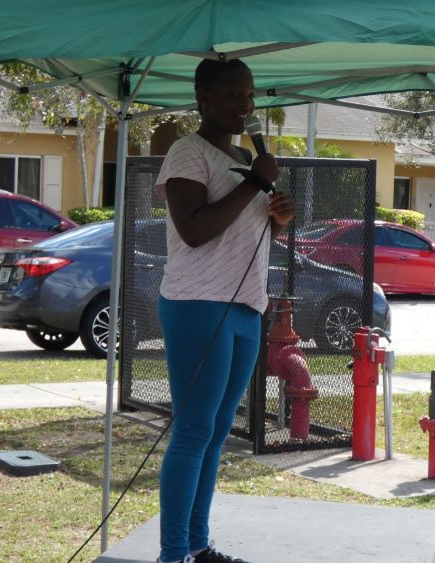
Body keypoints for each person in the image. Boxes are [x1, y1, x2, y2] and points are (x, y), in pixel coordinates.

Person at [154, 58, 295, 563]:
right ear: (204, 98)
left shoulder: (246, 159)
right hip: (197, 304)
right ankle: (173, 555)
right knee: (193, 429)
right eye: (234, 95)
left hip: (246, 305)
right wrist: (254, 185)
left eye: (250, 95)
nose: (245, 105)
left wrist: (277, 217)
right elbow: (193, 230)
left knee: (216, 432)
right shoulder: (186, 153)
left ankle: (197, 544)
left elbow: (249, 234)